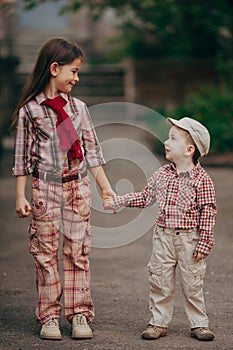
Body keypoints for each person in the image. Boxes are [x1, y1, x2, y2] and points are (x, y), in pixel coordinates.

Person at [12, 38, 114, 341]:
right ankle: (50, 316)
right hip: (45, 189)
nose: (77, 78)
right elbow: (22, 159)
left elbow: (92, 154)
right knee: (44, 253)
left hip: (77, 188)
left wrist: (105, 190)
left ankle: (78, 313)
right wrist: (21, 195)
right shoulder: (30, 111)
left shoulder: (79, 109)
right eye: (74, 71)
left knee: (77, 252)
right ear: (54, 68)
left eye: (79, 72)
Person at [104, 116, 217, 341]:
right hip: (163, 237)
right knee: (160, 280)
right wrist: (119, 200)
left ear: (189, 149)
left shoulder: (202, 180)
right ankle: (158, 322)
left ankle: (199, 324)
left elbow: (208, 211)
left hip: (189, 240)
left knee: (192, 282)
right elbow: (145, 197)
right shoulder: (161, 175)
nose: (166, 141)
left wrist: (205, 242)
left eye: (173, 138)